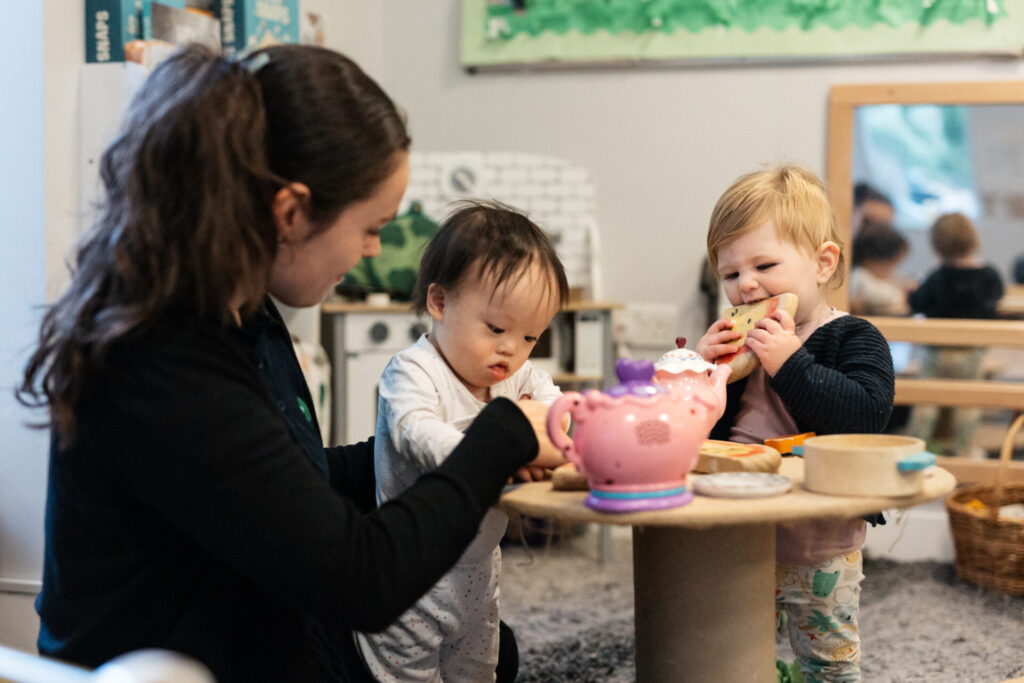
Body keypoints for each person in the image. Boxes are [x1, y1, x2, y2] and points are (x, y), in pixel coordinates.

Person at [17, 44, 562, 683]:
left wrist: (404, 448)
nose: (374, 250)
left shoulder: (241, 310)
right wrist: (501, 437)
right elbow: (363, 579)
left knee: (495, 651)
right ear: (291, 212)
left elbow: (277, 487)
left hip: (251, 625)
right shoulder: (163, 364)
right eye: (370, 227)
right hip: (177, 668)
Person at [354, 201, 568, 681]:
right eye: (496, 328)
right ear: (440, 302)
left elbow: (558, 411)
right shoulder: (412, 372)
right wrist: (496, 453)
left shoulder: (516, 376)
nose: (511, 348)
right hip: (410, 580)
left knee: (479, 669)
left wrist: (553, 431)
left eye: (530, 336)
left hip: (478, 576)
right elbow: (416, 435)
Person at [696, 164, 894, 683]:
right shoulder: (730, 344)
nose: (747, 286)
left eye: (764, 264)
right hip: (734, 534)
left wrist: (790, 363)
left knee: (828, 662)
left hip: (818, 541)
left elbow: (865, 418)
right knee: (728, 656)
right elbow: (687, 429)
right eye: (731, 274)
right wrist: (699, 371)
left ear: (823, 263)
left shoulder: (855, 336)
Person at [906, 212, 1005, 457]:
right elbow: (997, 299)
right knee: (968, 402)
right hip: (972, 350)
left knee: (926, 401)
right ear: (974, 239)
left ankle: (917, 447)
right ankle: (965, 449)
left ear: (937, 246)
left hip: (937, 350)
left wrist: (911, 292)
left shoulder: (937, 278)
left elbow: (917, 303)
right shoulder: (990, 277)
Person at [848, 220, 912, 316]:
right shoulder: (859, 277)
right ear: (875, 260)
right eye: (892, 265)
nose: (891, 271)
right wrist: (904, 294)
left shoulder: (868, 276)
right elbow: (889, 298)